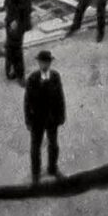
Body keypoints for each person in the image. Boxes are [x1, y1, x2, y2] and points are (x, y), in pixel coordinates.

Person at [23, 48, 65, 185]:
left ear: (50, 63)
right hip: (37, 120)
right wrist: (28, 120)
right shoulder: (33, 79)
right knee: (36, 147)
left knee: (53, 145)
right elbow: (27, 101)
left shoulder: (55, 77)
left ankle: (52, 168)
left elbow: (60, 97)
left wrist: (61, 115)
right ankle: (36, 174)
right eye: (42, 62)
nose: (45, 65)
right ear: (39, 63)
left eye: (47, 62)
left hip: (52, 118)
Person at [3, 0, 34, 83]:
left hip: (19, 24)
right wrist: (10, 19)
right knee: (9, 47)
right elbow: (6, 4)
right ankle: (10, 71)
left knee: (17, 49)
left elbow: (26, 10)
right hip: (10, 22)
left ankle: (20, 75)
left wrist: (16, 21)